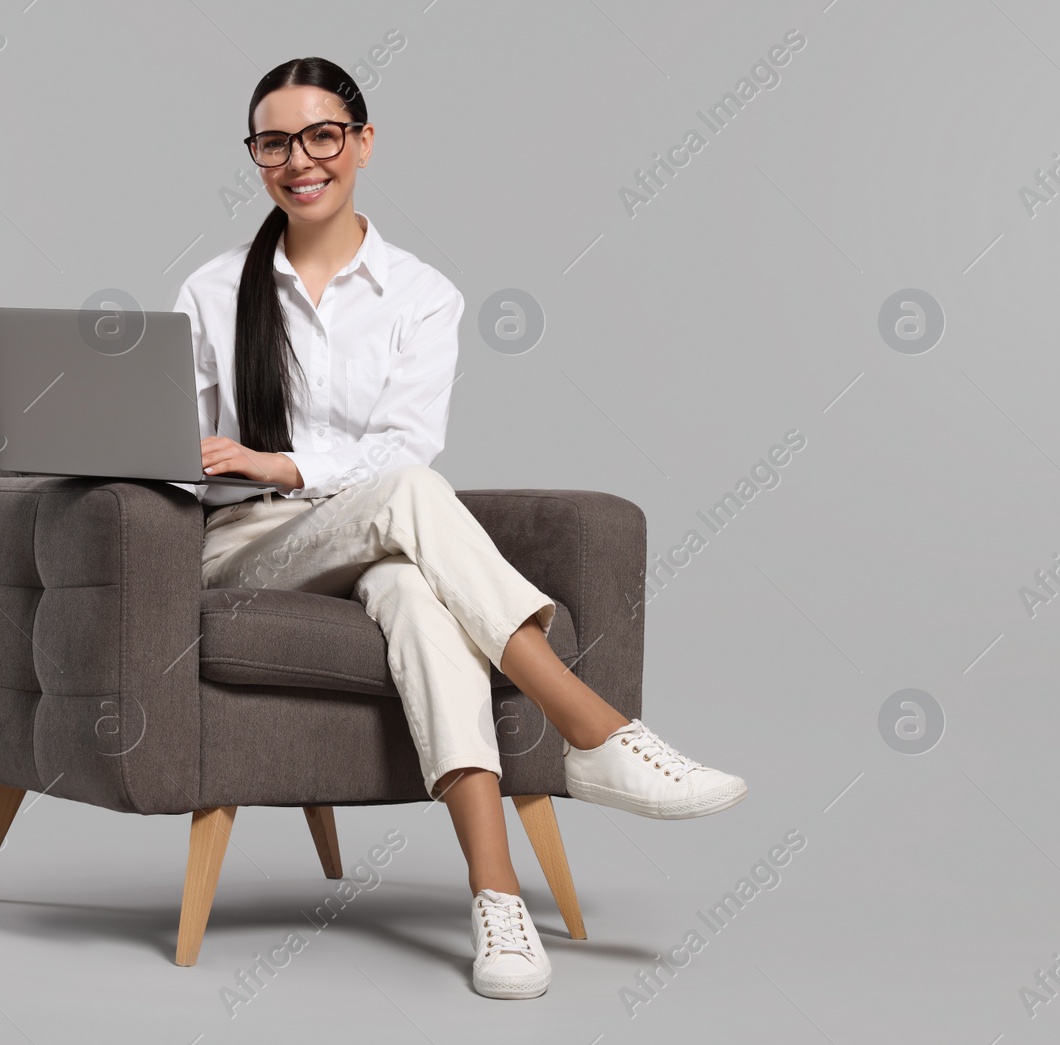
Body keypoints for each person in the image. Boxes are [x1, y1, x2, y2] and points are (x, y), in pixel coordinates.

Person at [170, 56, 747, 1001]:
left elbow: (408, 441)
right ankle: (590, 726)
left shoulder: (423, 294)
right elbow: (174, 447)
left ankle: (497, 900)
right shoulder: (211, 289)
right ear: (255, 156)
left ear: (361, 142)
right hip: (248, 547)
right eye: (273, 142)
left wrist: (293, 462)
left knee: (413, 593)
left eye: (321, 135)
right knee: (407, 491)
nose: (298, 160)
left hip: (371, 536)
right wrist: (236, 466)